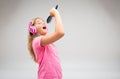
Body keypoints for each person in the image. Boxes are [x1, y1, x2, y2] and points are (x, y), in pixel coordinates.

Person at [27, 7, 64, 79]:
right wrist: (56, 13)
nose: (43, 23)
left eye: (43, 22)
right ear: (33, 29)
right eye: (39, 23)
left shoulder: (49, 44)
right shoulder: (37, 41)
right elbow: (60, 32)